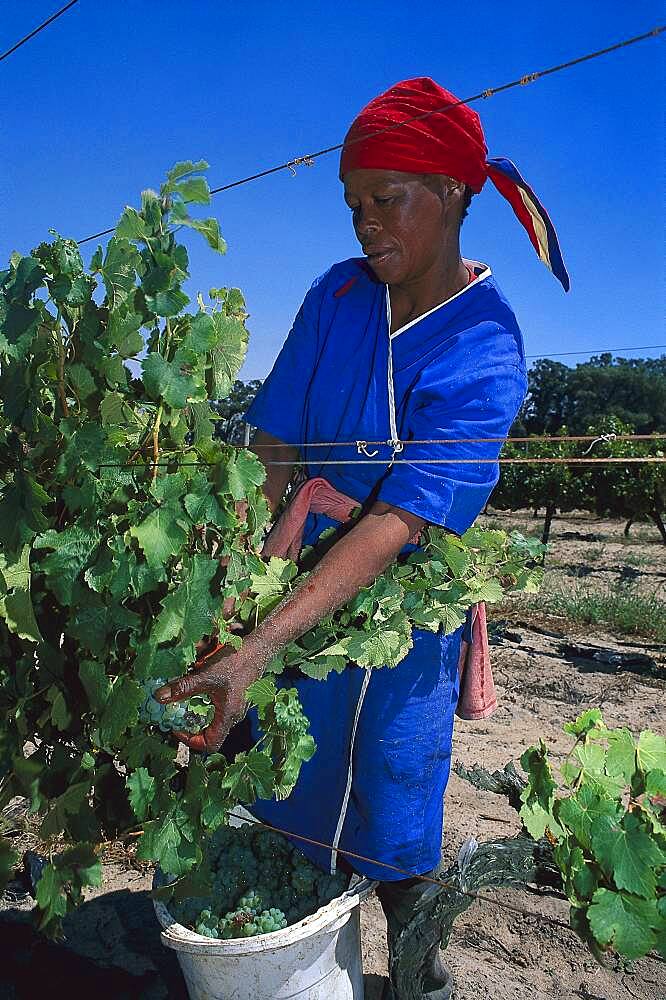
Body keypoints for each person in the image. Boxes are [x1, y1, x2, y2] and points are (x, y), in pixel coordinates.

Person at [157, 77, 568, 999]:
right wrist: (238, 583)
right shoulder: (336, 297)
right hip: (293, 582)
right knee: (288, 783)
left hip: (400, 620)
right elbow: (274, 443)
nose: (366, 224)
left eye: (388, 199)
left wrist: (261, 641)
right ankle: (302, 959)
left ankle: (419, 975)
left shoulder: (484, 343)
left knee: (393, 813)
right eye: (354, 205)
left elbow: (399, 517)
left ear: (454, 193)